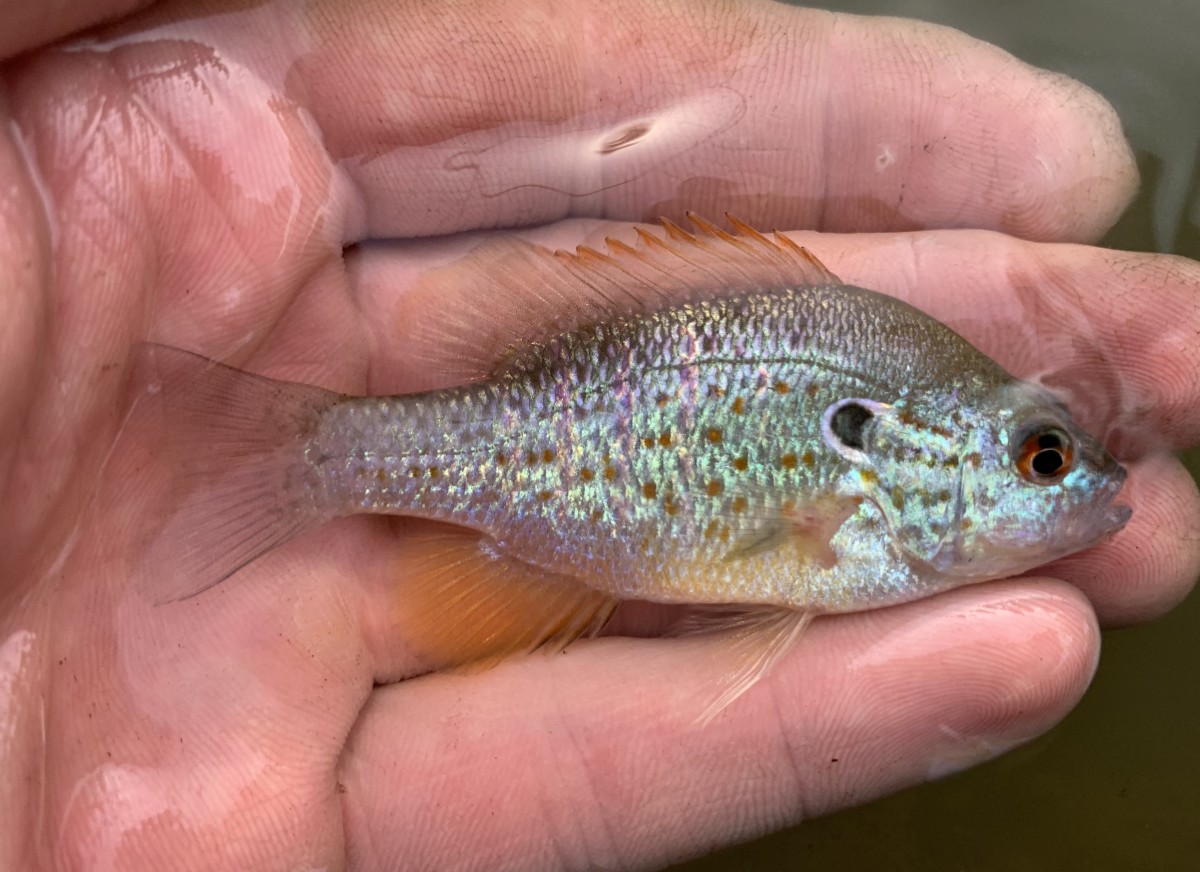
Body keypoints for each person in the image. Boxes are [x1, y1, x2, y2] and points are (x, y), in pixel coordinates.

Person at [1, 0, 1197, 869]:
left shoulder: (886, 437)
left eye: (1051, 461)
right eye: (1041, 457)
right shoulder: (852, 494)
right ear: (910, 443)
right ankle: (309, 455)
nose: (1073, 486)